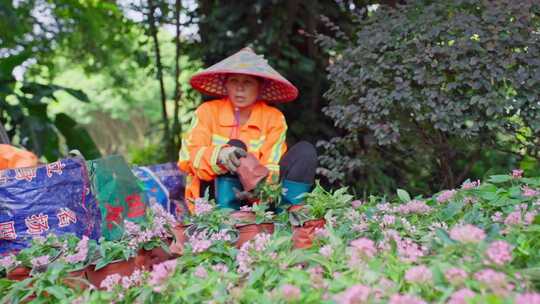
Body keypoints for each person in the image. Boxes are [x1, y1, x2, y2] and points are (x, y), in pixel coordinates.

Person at [178, 47, 317, 212]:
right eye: (234, 81)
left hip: (259, 201)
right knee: (234, 147)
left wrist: (258, 188)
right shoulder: (206, 112)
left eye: (247, 82)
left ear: (260, 87)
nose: (240, 88)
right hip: (210, 200)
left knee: (305, 152)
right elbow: (188, 160)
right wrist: (219, 155)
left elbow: (272, 166)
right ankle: (226, 221)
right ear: (226, 85)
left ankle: (288, 221)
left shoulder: (273, 117)